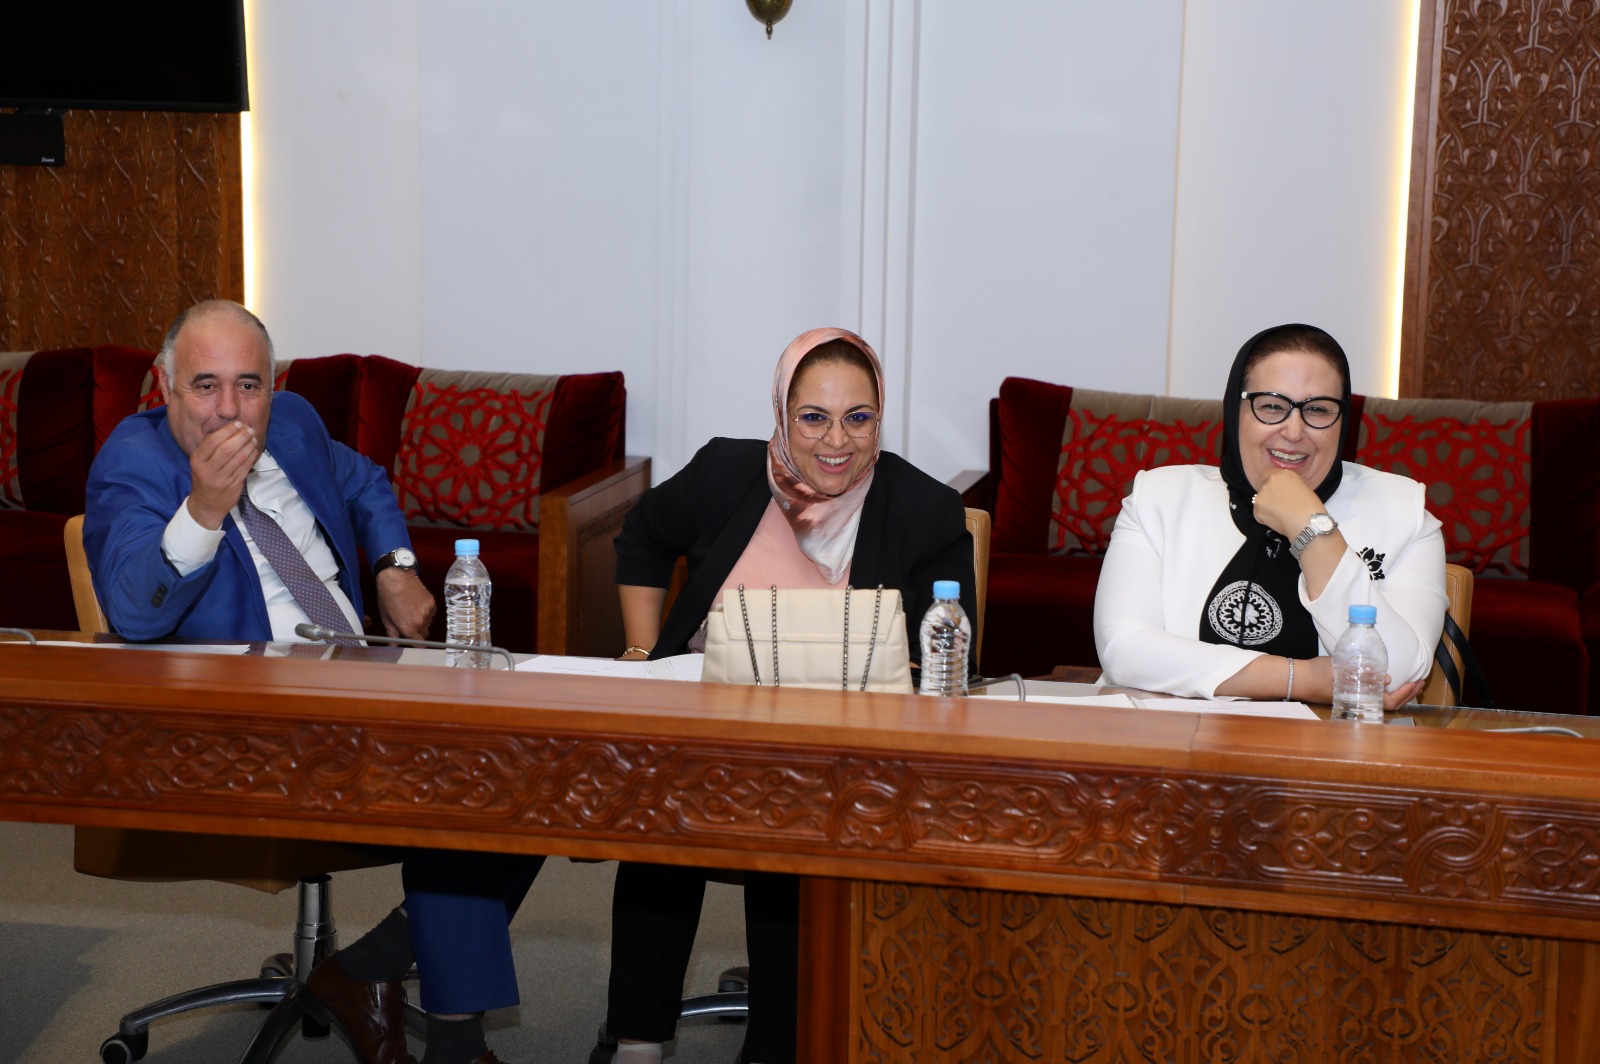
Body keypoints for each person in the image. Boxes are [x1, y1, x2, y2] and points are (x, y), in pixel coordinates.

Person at [84, 300, 538, 1064]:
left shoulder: (291, 422)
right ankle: (454, 1040)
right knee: (459, 776)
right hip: (243, 721)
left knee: (536, 759)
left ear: (272, 386)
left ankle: (365, 967)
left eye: (248, 385)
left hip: (359, 679)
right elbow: (133, 612)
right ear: (165, 387)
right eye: (204, 385)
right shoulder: (133, 461)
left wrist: (393, 567)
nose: (230, 410)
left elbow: (365, 483)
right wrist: (203, 510)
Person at [599, 327, 977, 1063]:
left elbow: (954, 650)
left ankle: (778, 1043)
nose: (836, 441)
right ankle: (638, 1042)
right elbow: (642, 535)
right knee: (659, 806)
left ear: (880, 415)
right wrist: (643, 653)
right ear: (780, 412)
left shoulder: (925, 508)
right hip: (707, 721)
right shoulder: (725, 473)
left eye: (858, 418)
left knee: (797, 815)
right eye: (813, 418)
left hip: (841, 750)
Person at [1093, 323, 1446, 704]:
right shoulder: (1160, 499)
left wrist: (1310, 527)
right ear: (1236, 410)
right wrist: (1305, 679)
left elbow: (1396, 675)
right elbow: (1123, 649)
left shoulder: (1403, 513)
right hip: (1173, 735)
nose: (1293, 432)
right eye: (1272, 406)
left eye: (1318, 410)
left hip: (1330, 741)